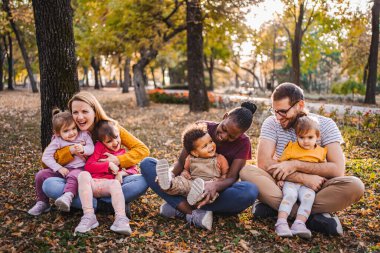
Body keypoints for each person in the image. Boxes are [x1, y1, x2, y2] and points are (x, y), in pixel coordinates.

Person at [240, 82, 365, 236]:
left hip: (316, 189)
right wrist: (303, 177)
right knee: (246, 171)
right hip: (283, 185)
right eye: (275, 111)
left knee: (355, 186)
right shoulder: (272, 123)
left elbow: (337, 169)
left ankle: (276, 209)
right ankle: (311, 218)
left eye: (283, 111)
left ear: (300, 105)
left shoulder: (325, 125)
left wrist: (296, 164)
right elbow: (264, 163)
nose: (278, 117)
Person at [140, 101, 259, 231]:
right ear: (225, 117)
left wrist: (215, 185)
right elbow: (181, 162)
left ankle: (179, 207)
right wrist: (171, 174)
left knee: (249, 190)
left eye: (231, 137)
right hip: (188, 183)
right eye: (224, 129)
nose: (223, 136)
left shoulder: (244, 143)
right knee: (147, 164)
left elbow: (231, 178)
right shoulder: (202, 128)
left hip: (214, 192)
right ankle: (192, 211)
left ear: (240, 135)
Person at [41, 91, 149, 212]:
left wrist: (118, 160)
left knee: (143, 180)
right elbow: (46, 164)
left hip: (110, 180)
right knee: (49, 185)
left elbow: (142, 149)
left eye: (85, 111)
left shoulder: (110, 128)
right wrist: (70, 151)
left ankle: (91, 204)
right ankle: (106, 205)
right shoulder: (67, 132)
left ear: (94, 111)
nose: (80, 117)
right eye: (75, 112)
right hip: (79, 182)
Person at [28, 109, 94, 216]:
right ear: (58, 133)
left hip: (80, 169)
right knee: (41, 175)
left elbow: (91, 148)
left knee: (74, 175)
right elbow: (46, 157)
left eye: (73, 128)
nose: (72, 133)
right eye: (66, 131)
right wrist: (59, 168)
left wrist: (83, 149)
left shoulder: (84, 135)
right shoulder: (57, 141)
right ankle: (42, 202)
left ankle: (67, 196)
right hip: (63, 170)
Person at [75, 120, 134, 234]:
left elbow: (134, 169)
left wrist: (120, 173)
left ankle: (120, 219)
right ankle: (89, 216)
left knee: (116, 184)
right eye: (109, 141)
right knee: (83, 174)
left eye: (116, 137)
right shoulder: (99, 147)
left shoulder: (123, 154)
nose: (115, 142)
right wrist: (108, 164)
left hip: (108, 185)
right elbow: (89, 166)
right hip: (92, 184)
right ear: (102, 142)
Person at [156, 122, 229, 214]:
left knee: (209, 195)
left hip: (208, 186)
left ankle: (193, 200)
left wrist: (218, 181)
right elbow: (186, 170)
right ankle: (168, 183)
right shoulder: (190, 159)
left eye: (210, 141)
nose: (211, 146)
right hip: (191, 183)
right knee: (180, 182)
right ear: (195, 153)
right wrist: (185, 173)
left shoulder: (220, 159)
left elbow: (225, 175)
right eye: (205, 146)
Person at [275, 114, 327, 239]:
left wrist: (323, 179)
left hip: (308, 184)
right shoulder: (291, 148)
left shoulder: (320, 152)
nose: (306, 141)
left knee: (308, 198)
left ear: (317, 136)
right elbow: (281, 165)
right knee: (290, 196)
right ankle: (281, 223)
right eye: (301, 137)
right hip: (292, 182)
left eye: (310, 137)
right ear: (296, 135)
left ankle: (299, 224)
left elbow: (324, 169)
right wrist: (279, 179)